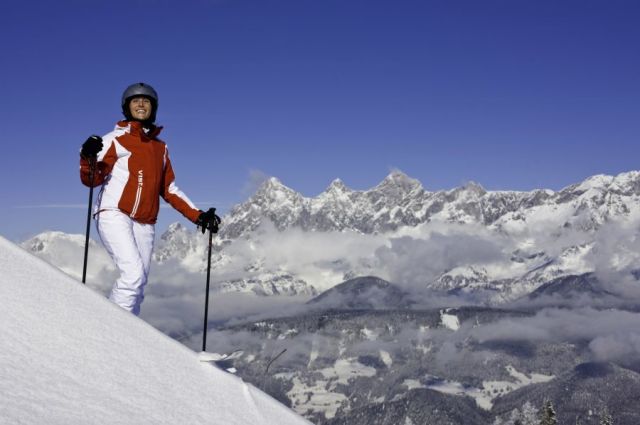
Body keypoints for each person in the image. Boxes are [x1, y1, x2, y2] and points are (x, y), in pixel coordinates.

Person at [79, 82, 220, 315]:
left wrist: (199, 216)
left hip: (145, 222)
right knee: (132, 275)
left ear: (153, 108)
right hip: (114, 212)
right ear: (127, 107)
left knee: (139, 283)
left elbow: (169, 189)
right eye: (135, 100)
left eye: (146, 100)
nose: (141, 104)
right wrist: (87, 156)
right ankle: (110, 335)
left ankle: (132, 340)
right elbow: (92, 179)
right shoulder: (114, 139)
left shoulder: (160, 148)